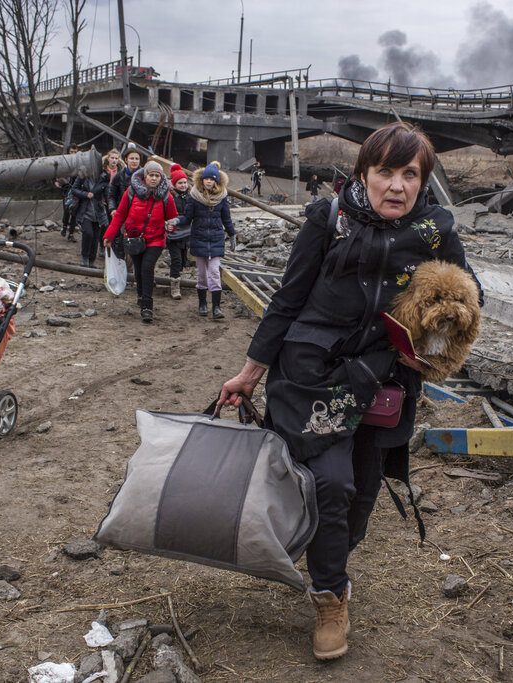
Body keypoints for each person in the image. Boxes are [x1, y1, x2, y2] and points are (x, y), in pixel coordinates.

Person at [217, 122, 482, 661]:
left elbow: (467, 304)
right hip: (314, 376)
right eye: (385, 171)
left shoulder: (435, 231)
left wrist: (428, 349)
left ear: (422, 181)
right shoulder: (328, 219)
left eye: (410, 174)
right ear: (364, 172)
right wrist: (250, 373)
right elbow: (286, 301)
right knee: (330, 486)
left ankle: (323, 552)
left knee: (361, 496)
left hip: (384, 381)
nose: (396, 185)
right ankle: (330, 596)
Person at [103, 160, 178, 324]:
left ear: (161, 177)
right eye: (151, 175)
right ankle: (140, 295)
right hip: (133, 238)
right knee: (138, 269)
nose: (153, 178)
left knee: (147, 267)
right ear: (145, 176)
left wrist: (172, 226)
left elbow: (172, 218)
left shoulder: (166, 196)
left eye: (157, 176)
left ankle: (147, 306)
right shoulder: (131, 192)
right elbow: (120, 216)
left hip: (156, 239)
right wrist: (108, 236)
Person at [172, 161, 235, 320]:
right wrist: (177, 221)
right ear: (202, 180)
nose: (208, 181)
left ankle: (216, 308)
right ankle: (202, 304)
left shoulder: (222, 198)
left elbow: (226, 218)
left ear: (216, 181)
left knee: (214, 272)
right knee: (201, 275)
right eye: (206, 179)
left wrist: (232, 234)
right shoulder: (194, 197)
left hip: (215, 239)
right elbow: (187, 217)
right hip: (199, 238)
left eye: (211, 179)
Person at [70, 159, 112, 268]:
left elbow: (107, 193)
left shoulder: (104, 177)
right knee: (88, 233)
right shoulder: (83, 175)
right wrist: (85, 194)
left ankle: (92, 260)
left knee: (96, 236)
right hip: (84, 211)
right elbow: (74, 189)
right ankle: (84, 258)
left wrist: (110, 205)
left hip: (98, 212)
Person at [166, 163, 191, 300]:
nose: (183, 185)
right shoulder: (170, 197)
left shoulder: (190, 197)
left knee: (182, 261)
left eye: (185, 182)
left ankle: (176, 277)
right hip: (173, 233)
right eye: (180, 183)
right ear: (174, 184)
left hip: (186, 233)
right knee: (176, 259)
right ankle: (175, 286)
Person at [55, 144, 80, 241]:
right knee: (66, 210)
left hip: (77, 190)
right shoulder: (64, 162)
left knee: (74, 212)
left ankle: (71, 234)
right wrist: (58, 182)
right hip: (67, 190)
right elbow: (57, 174)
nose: (73, 154)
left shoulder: (79, 163)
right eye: (71, 152)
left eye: (75, 152)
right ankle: (65, 226)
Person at [107, 145, 142, 214]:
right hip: (123, 211)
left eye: (137, 159)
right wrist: (112, 209)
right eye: (131, 158)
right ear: (126, 160)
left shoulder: (144, 176)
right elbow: (111, 195)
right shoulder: (119, 176)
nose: (134, 161)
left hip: (140, 212)